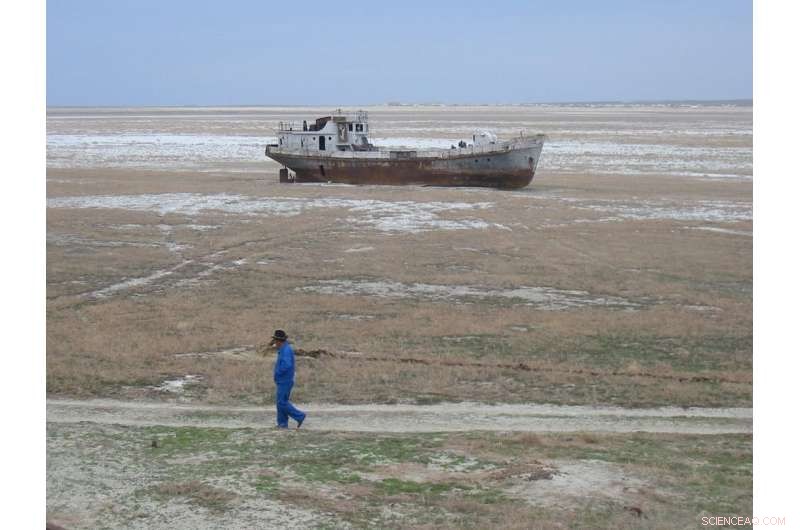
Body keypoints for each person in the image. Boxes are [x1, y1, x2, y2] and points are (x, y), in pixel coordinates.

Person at [270, 329, 306, 429]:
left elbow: (287, 365)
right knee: (280, 402)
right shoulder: (284, 348)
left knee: (282, 402)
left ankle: (300, 416)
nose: (274, 343)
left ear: (278, 341)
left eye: (275, 341)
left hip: (285, 380)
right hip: (283, 380)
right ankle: (282, 424)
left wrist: (278, 372)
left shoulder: (285, 350)